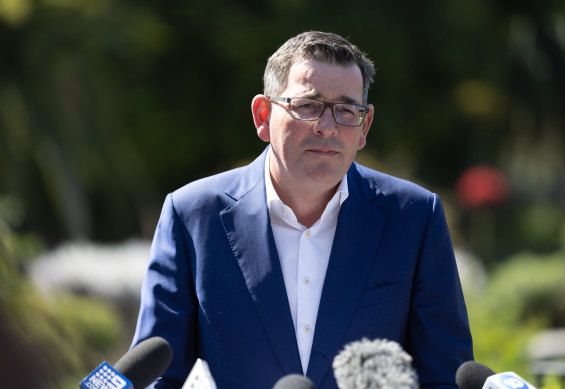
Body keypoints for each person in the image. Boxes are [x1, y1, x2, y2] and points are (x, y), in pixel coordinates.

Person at [131, 31, 473, 389]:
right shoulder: (192, 215)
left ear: (364, 126)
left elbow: (445, 377)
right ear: (263, 115)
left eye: (346, 110)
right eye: (308, 106)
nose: (328, 127)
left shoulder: (414, 217)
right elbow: (159, 376)